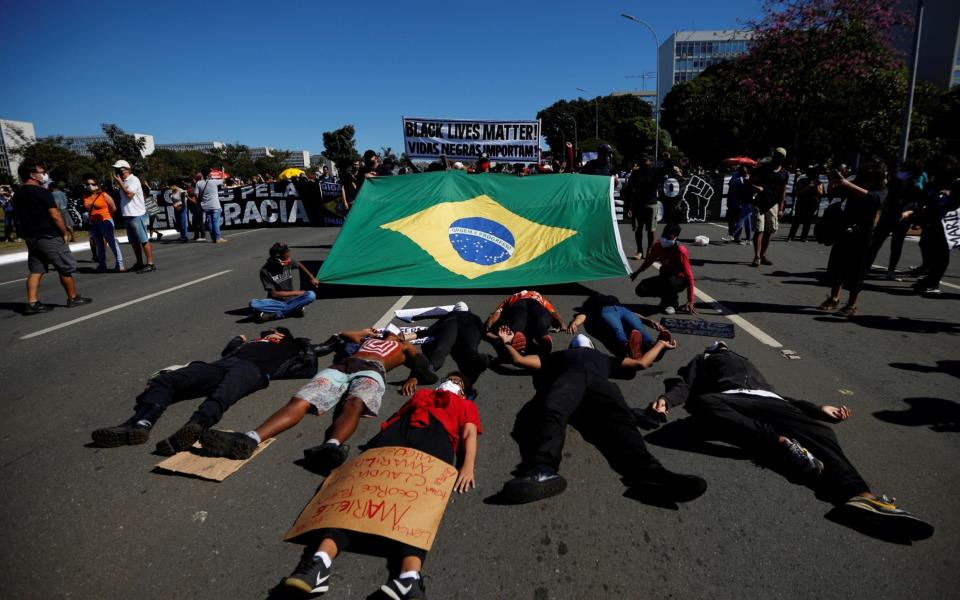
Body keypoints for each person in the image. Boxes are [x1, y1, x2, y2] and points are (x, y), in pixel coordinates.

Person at [646, 341, 933, 541]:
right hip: (731, 400)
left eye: (722, 346)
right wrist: (666, 401)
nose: (721, 347)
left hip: (771, 402)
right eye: (717, 347)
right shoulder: (702, 360)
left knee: (823, 433)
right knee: (706, 404)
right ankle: (779, 444)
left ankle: (861, 499)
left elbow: (780, 395)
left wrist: (818, 409)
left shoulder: (747, 363)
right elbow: (686, 385)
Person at [281, 372, 480, 599]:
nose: (450, 382)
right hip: (398, 433)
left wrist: (468, 466)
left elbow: (469, 432)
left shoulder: (464, 405)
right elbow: (398, 416)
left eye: (457, 382)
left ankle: (409, 578)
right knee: (359, 492)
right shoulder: (424, 394)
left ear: (464, 392)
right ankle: (319, 562)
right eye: (449, 379)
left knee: (418, 503)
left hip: (437, 437)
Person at [494, 331, 703, 504]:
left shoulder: (559, 356)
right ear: (592, 346)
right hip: (599, 385)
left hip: (568, 382)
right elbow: (640, 364)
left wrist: (505, 343)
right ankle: (652, 474)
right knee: (621, 422)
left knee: (553, 413)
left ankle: (542, 469)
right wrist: (660, 344)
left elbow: (519, 360)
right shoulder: (603, 358)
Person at [200, 327, 436, 471]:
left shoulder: (405, 347)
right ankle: (251, 438)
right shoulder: (366, 341)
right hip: (341, 366)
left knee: (355, 404)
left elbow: (426, 369)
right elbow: (344, 334)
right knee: (301, 400)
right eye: (387, 331)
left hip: (373, 370)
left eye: (393, 333)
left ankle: (331, 447)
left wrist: (413, 377)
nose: (389, 333)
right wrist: (367, 333)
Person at [91, 327, 304, 455]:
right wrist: (239, 341)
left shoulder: (292, 345)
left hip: (253, 370)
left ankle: (196, 425)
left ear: (282, 334)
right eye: (267, 333)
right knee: (168, 380)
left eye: (273, 332)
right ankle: (141, 422)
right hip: (222, 365)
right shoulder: (252, 342)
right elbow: (227, 351)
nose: (268, 334)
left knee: (225, 391)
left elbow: (313, 355)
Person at [13, 161, 92, 314]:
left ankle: (32, 302)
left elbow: (17, 218)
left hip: (32, 237)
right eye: (42, 171)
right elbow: (55, 215)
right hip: (48, 235)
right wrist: (64, 232)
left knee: (36, 269)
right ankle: (73, 297)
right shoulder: (42, 192)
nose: (44, 174)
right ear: (32, 175)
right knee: (64, 267)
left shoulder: (18, 194)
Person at [816, 160, 887, 317]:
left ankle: (852, 304)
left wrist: (847, 184)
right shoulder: (855, 182)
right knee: (837, 265)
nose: (865, 180)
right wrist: (835, 182)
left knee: (857, 269)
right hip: (845, 229)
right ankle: (834, 298)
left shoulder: (880, 190)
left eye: (869, 177)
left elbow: (874, 199)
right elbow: (835, 193)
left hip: (863, 233)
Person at [399, 310, 491, 397]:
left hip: (452, 322)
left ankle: (425, 371)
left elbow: (426, 332)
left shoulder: (452, 314)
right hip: (467, 328)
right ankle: (425, 372)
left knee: (444, 346)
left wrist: (403, 337)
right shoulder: (474, 317)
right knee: (468, 348)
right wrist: (500, 339)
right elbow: (486, 334)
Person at [907, 155, 959, 295]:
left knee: (941, 253)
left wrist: (948, 198)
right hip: (932, 220)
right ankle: (929, 275)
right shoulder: (934, 183)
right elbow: (924, 200)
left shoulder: (956, 184)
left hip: (948, 223)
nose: (943, 167)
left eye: (946, 165)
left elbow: (955, 204)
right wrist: (918, 217)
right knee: (927, 245)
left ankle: (933, 281)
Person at [565, 291, 673, 359]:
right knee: (617, 329)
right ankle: (627, 346)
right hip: (606, 312)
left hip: (623, 310)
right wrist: (575, 323)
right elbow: (584, 315)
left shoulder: (613, 298)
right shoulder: (591, 303)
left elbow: (633, 314)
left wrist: (648, 321)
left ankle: (653, 346)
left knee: (638, 327)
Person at [629, 223, 697, 315]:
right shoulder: (658, 245)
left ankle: (673, 303)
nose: (664, 238)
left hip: (679, 280)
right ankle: (665, 299)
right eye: (664, 235)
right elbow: (648, 261)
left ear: (674, 237)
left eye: (669, 236)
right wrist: (637, 272)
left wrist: (690, 300)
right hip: (664, 277)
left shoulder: (680, 251)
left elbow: (689, 276)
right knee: (641, 289)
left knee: (670, 282)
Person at [248, 242, 318, 321]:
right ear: (277, 259)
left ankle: (276, 314)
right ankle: (294, 308)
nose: (288, 258)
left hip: (292, 299)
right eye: (286, 256)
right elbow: (274, 294)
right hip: (276, 301)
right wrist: (296, 292)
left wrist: (312, 277)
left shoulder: (288, 261)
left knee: (311, 295)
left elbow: (299, 265)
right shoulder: (265, 271)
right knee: (253, 303)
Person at [483, 290, 564, 355]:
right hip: (535, 303)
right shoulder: (541, 298)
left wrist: (488, 326)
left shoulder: (512, 297)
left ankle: (516, 334)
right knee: (540, 319)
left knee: (518, 321)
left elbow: (497, 314)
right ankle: (542, 334)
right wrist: (562, 323)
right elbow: (554, 313)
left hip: (518, 304)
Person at [113, 159, 156, 273]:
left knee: (143, 240)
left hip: (137, 215)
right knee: (133, 241)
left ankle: (150, 263)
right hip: (128, 215)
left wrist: (120, 183)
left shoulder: (133, 180)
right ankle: (139, 262)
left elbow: (129, 194)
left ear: (125, 170)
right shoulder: (125, 181)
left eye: (118, 170)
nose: (116, 173)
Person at [749, 147, 789, 267]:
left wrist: (781, 208)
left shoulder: (784, 173)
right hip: (759, 203)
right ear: (773, 155)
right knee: (758, 230)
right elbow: (749, 182)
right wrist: (756, 188)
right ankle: (757, 257)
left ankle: (763, 255)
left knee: (769, 231)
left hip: (773, 205)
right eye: (776, 155)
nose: (778, 157)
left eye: (781, 156)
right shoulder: (764, 168)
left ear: (784, 158)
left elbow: (783, 192)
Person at [81, 175, 124, 272]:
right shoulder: (85, 196)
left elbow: (113, 208)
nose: (90, 186)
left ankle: (120, 264)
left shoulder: (103, 195)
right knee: (99, 245)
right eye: (88, 184)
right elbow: (87, 209)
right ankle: (102, 265)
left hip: (105, 221)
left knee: (112, 243)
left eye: (93, 184)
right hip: (93, 222)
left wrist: (107, 216)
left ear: (97, 185)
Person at [622, 156, 659, 259]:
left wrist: (668, 160)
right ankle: (639, 251)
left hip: (651, 203)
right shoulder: (635, 173)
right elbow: (629, 189)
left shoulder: (656, 172)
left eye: (646, 163)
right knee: (639, 228)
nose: (644, 164)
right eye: (642, 162)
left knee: (651, 230)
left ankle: (649, 250)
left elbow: (668, 169)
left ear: (651, 162)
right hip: (638, 204)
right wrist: (628, 206)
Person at [787, 167, 823, 242]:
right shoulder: (802, 181)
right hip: (802, 202)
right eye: (813, 174)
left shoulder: (818, 182)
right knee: (797, 220)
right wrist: (807, 187)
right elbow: (797, 193)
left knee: (808, 220)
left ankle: (804, 237)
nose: (814, 176)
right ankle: (791, 236)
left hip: (813, 203)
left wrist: (816, 187)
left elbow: (821, 193)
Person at [194, 167, 225, 243]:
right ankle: (218, 238)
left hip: (205, 205)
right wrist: (223, 172)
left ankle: (213, 238)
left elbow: (196, 194)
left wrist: (202, 198)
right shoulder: (213, 182)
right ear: (209, 174)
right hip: (215, 205)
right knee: (215, 222)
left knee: (210, 222)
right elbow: (223, 180)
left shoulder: (198, 183)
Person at [725, 164, 754, 244]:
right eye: (743, 169)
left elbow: (751, 188)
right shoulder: (736, 176)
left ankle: (733, 235)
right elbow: (731, 185)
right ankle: (748, 238)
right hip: (737, 200)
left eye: (745, 169)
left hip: (746, 201)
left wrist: (747, 180)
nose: (744, 171)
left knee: (741, 219)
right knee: (742, 220)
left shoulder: (750, 177)